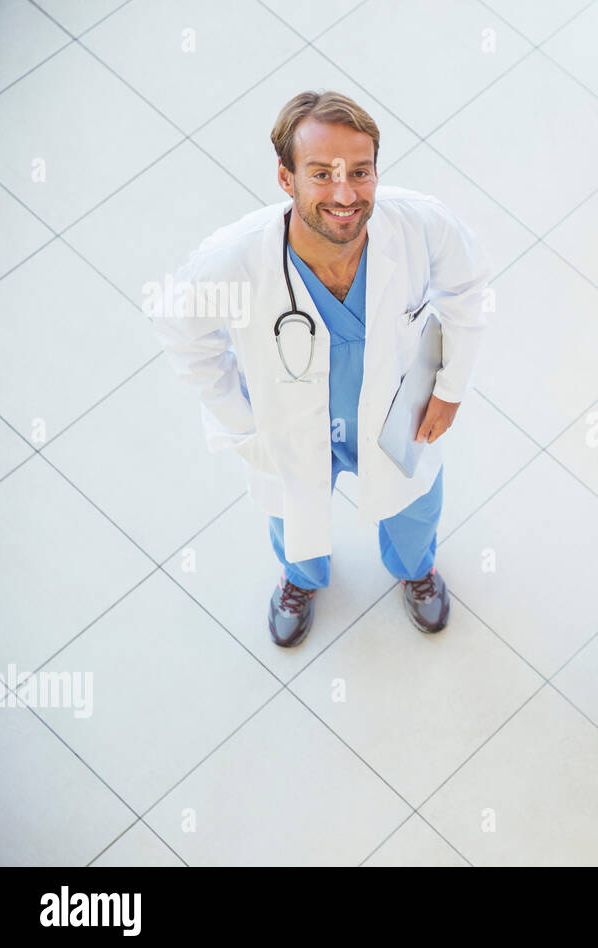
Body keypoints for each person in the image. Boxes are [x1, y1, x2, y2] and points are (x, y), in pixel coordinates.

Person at [152, 91, 491, 647]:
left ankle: (415, 571)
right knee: (293, 514)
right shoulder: (234, 260)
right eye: (322, 173)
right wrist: (239, 424)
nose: (344, 193)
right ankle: (301, 581)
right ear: (286, 179)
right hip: (290, 424)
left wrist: (451, 388)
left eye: (360, 172)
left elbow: (469, 290)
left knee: (414, 506)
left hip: (393, 413)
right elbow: (181, 333)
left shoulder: (421, 227)